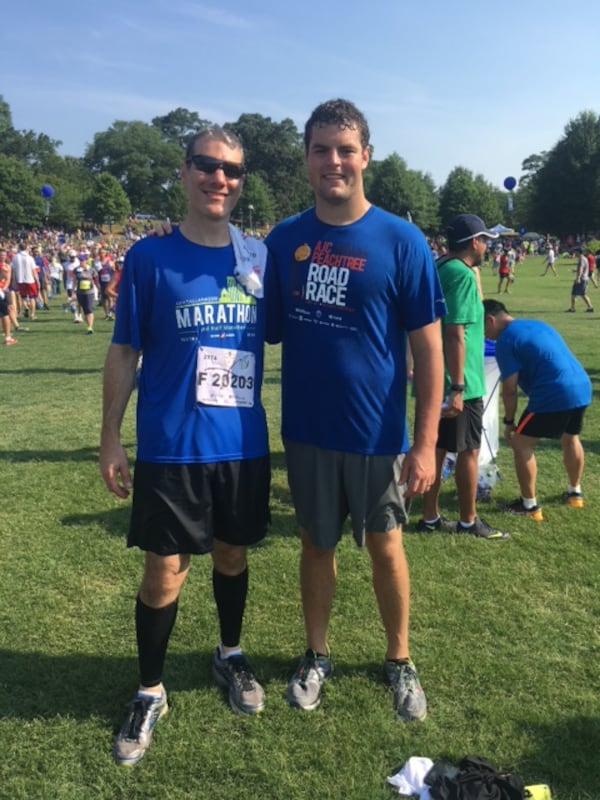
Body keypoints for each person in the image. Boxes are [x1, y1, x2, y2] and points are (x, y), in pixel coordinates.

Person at [265, 99, 446, 720]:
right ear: (307, 159)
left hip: (375, 434)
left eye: (346, 149)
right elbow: (258, 324)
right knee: (316, 546)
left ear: (366, 155)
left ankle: (399, 659)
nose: (334, 161)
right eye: (321, 149)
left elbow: (429, 352)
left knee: (386, 545)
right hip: (309, 431)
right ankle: (316, 653)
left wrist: (424, 444)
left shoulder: (401, 239)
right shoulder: (284, 240)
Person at [99, 125, 270, 766]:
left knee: (232, 555)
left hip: (241, 444)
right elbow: (124, 349)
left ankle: (230, 654)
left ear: (240, 181)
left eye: (231, 170)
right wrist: (111, 435)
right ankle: (150, 690)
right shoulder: (150, 257)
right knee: (163, 573)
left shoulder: (257, 257)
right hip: (171, 446)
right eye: (207, 165)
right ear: (185, 171)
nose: (218, 178)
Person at [418, 214, 509, 541]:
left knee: (438, 450)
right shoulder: (461, 275)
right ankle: (469, 520)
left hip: (438, 376)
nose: (486, 246)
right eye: (484, 240)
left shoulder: (440, 267)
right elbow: (456, 331)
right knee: (468, 451)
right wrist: (457, 386)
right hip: (460, 381)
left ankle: (430, 516)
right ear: (474, 242)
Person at [483, 299, 592, 519]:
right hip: (581, 386)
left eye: (481, 327)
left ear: (490, 320)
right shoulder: (538, 324)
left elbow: (510, 389)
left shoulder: (505, 340)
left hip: (553, 393)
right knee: (571, 438)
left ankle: (529, 506)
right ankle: (575, 494)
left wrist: (509, 421)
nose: (484, 334)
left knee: (521, 443)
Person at [11, 241, 40, 320]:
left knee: (23, 297)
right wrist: (37, 280)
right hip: (30, 280)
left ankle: (26, 307)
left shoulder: (15, 257)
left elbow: (13, 270)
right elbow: (33, 270)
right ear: (26, 248)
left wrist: (13, 281)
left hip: (20, 280)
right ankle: (32, 314)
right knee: (32, 297)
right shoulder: (30, 258)